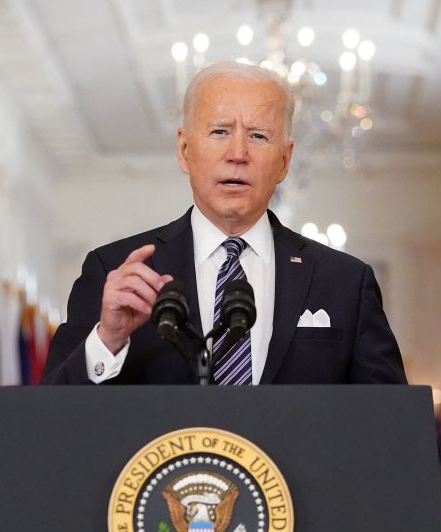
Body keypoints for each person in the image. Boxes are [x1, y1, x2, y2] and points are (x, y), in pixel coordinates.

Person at [41, 61, 406, 385]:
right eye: (219, 132)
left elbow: (390, 428)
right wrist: (107, 340)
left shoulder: (345, 282)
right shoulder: (118, 273)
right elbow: (49, 423)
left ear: (284, 160)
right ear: (185, 151)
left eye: (258, 136)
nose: (237, 154)